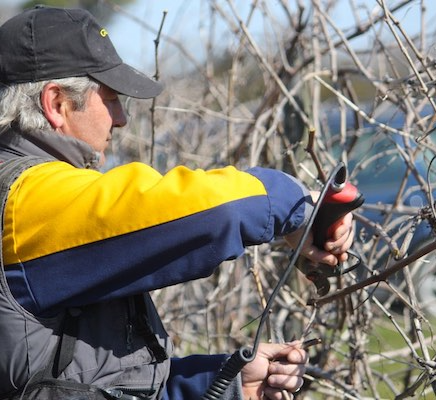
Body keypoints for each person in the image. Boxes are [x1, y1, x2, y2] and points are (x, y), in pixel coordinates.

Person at [0, 5, 354, 400]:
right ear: (57, 104)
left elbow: (74, 384)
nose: (121, 119)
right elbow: (216, 210)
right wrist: (297, 203)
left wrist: (223, 383)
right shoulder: (29, 201)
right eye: (112, 98)